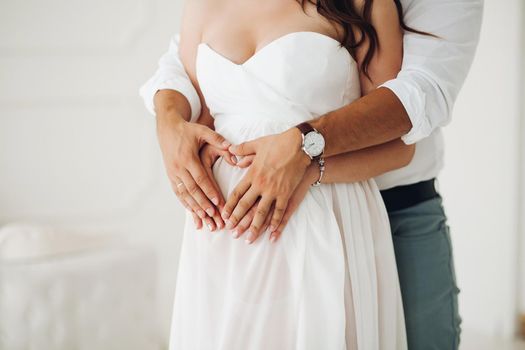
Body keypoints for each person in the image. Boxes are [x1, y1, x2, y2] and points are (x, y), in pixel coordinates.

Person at [139, 1, 483, 348]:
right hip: (226, 239)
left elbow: (415, 105)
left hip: (338, 220)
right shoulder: (204, 6)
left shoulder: (366, 6)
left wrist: (307, 158)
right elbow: (185, 86)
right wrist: (170, 127)